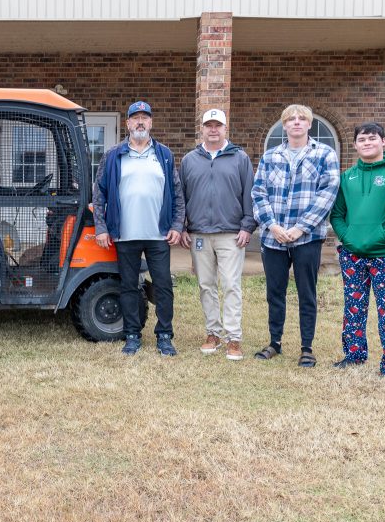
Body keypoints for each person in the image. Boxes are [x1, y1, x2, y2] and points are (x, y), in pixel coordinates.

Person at [251, 104, 340, 367]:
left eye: (302, 119)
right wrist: (273, 227)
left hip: (307, 238)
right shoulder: (270, 156)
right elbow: (258, 193)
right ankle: (274, 342)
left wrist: (300, 228)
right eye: (291, 119)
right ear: (284, 125)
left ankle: (306, 347)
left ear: (309, 124)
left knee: (306, 292)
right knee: (274, 292)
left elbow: (328, 193)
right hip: (274, 238)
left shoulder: (325, 154)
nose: (297, 122)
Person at [93, 100, 184, 357]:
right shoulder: (113, 155)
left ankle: (164, 335)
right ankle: (132, 334)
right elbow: (99, 194)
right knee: (129, 286)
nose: (140, 122)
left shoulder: (164, 154)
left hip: (158, 234)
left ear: (151, 122)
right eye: (136, 118)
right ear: (128, 123)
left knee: (163, 285)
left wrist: (177, 224)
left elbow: (177, 193)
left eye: (145, 117)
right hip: (125, 234)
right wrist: (101, 227)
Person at [329, 122, 385, 376]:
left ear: (383, 142)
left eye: (372, 138)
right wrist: (347, 237)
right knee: (354, 305)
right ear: (355, 145)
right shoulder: (347, 177)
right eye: (362, 139)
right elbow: (337, 214)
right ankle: (354, 354)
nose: (367, 143)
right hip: (352, 254)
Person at [178, 108, 256, 361]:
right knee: (205, 285)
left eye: (218, 125)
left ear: (225, 128)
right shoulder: (190, 160)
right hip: (199, 233)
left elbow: (249, 194)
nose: (213, 130)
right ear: (201, 129)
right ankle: (213, 333)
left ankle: (234, 338)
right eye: (208, 125)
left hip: (231, 233)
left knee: (231, 285)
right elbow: (181, 198)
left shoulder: (240, 158)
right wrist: (181, 226)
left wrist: (247, 226)